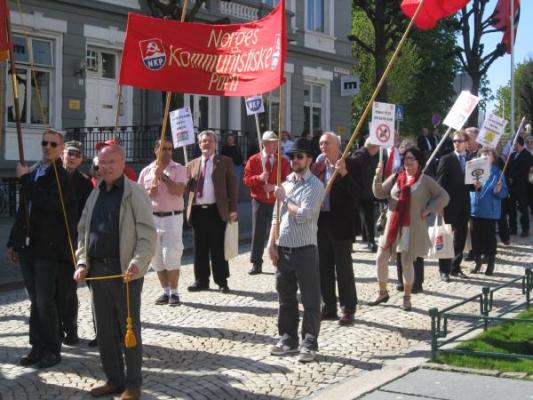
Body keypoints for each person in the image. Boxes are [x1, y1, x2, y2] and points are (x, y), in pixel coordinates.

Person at [74, 144, 156, 400]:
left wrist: (138, 263)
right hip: (97, 273)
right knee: (105, 332)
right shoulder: (95, 192)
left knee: (128, 331)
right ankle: (113, 380)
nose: (106, 167)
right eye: (102, 163)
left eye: (111, 162)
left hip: (125, 273)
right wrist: (81, 262)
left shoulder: (134, 193)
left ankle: (133, 385)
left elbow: (147, 234)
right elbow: (83, 231)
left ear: (122, 164)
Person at [6, 128, 76, 368]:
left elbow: (49, 204)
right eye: (45, 143)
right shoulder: (35, 170)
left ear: (61, 149)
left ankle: (52, 349)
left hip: (49, 249)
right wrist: (13, 241)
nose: (48, 147)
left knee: (46, 301)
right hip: (29, 248)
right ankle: (37, 346)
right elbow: (24, 210)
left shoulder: (61, 176)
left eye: (53, 144)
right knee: (35, 300)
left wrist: (25, 180)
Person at [267, 138, 325, 363]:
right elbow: (276, 217)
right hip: (284, 248)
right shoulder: (286, 183)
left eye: (299, 156)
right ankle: (288, 338)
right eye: (291, 157)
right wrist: (271, 243)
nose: (294, 160)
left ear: (309, 159)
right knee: (285, 297)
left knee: (310, 299)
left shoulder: (315, 186)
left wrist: (285, 199)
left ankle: (309, 343)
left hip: (305, 249)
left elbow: (305, 215)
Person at [370, 147, 449, 311]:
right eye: (406, 158)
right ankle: (382, 292)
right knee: (380, 257)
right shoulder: (396, 177)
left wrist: (428, 209)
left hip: (410, 227)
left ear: (419, 162)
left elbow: (444, 196)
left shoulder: (425, 181)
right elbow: (378, 193)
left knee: (406, 262)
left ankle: (407, 297)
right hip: (392, 226)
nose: (408, 161)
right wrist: (377, 175)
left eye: (412, 158)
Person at [311, 132, 360, 326]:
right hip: (322, 222)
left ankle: (348, 308)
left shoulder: (351, 163)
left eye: (327, 143)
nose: (323, 147)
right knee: (324, 267)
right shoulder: (318, 166)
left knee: (343, 268)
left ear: (337, 146)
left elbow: (358, 193)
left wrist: (344, 174)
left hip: (341, 223)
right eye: (321, 143)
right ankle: (329, 305)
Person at [186, 130, 238, 293]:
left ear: (215, 144)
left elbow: (233, 187)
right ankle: (201, 280)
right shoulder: (192, 163)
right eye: (203, 142)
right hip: (197, 211)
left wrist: (233, 209)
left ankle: (222, 281)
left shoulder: (224, 161)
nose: (206, 144)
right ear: (199, 145)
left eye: (209, 141)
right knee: (200, 248)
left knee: (218, 248)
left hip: (217, 210)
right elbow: (187, 187)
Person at [138, 138, 187, 306]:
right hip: (152, 218)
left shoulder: (179, 168)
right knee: (156, 257)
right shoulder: (146, 171)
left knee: (171, 255)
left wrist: (163, 177)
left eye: (170, 149)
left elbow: (179, 190)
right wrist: (148, 192)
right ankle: (165, 291)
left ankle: (174, 292)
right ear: (156, 150)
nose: (167, 152)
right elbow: (139, 197)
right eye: (164, 149)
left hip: (172, 217)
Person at [58, 140, 94, 346]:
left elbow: (86, 215)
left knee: (69, 291)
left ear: (81, 159)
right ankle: (56, 331)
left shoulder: (84, 182)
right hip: (53, 241)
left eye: (76, 155)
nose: (71, 158)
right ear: (62, 154)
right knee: (54, 291)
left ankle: (71, 330)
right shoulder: (52, 176)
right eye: (68, 154)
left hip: (73, 242)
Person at [243, 131, 290, 275]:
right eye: (271, 142)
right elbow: (246, 180)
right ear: (263, 143)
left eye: (276, 142)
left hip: (277, 201)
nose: (275, 145)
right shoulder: (254, 160)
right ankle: (256, 263)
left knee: (279, 232)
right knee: (258, 232)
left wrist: (275, 187)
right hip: (259, 200)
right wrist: (259, 178)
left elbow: (288, 181)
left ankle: (280, 262)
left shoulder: (283, 160)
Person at [436, 130, 472, 281]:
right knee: (446, 237)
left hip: (464, 205)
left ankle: (455, 267)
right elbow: (440, 184)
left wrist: (477, 185)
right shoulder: (447, 159)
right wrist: (440, 205)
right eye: (454, 141)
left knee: (460, 238)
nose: (456, 143)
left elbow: (471, 185)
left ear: (466, 143)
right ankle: (444, 270)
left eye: (459, 141)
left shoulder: (471, 161)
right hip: (449, 205)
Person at [469, 147, 508, 275]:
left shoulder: (498, 173)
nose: (485, 156)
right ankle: (477, 262)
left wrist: (498, 190)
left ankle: (490, 264)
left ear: (493, 157)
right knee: (475, 239)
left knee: (489, 239)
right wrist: (474, 187)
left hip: (490, 212)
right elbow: (468, 189)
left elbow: (504, 193)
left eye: (488, 154)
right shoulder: (474, 170)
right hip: (475, 210)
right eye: (483, 154)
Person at [352, 138, 380, 252]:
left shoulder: (370, 156)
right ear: (371, 147)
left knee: (368, 218)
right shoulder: (359, 155)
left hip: (367, 192)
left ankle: (370, 240)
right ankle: (352, 242)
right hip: (358, 192)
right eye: (377, 147)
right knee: (354, 218)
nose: (378, 150)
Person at [507, 136, 533, 237]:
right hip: (512, 186)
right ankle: (513, 228)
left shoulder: (527, 155)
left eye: (513, 144)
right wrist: (508, 177)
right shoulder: (512, 155)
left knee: (523, 209)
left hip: (522, 187)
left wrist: (512, 177)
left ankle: (525, 229)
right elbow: (508, 168)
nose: (512, 146)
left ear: (518, 143)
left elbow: (524, 170)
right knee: (511, 209)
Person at [221, 134, 244, 198]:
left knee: (236, 183)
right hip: (227, 167)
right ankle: (228, 197)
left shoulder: (237, 147)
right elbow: (222, 157)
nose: (230, 140)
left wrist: (241, 163)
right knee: (227, 182)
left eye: (231, 139)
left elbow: (239, 156)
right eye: (229, 139)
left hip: (237, 166)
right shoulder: (224, 147)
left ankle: (235, 198)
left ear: (233, 140)